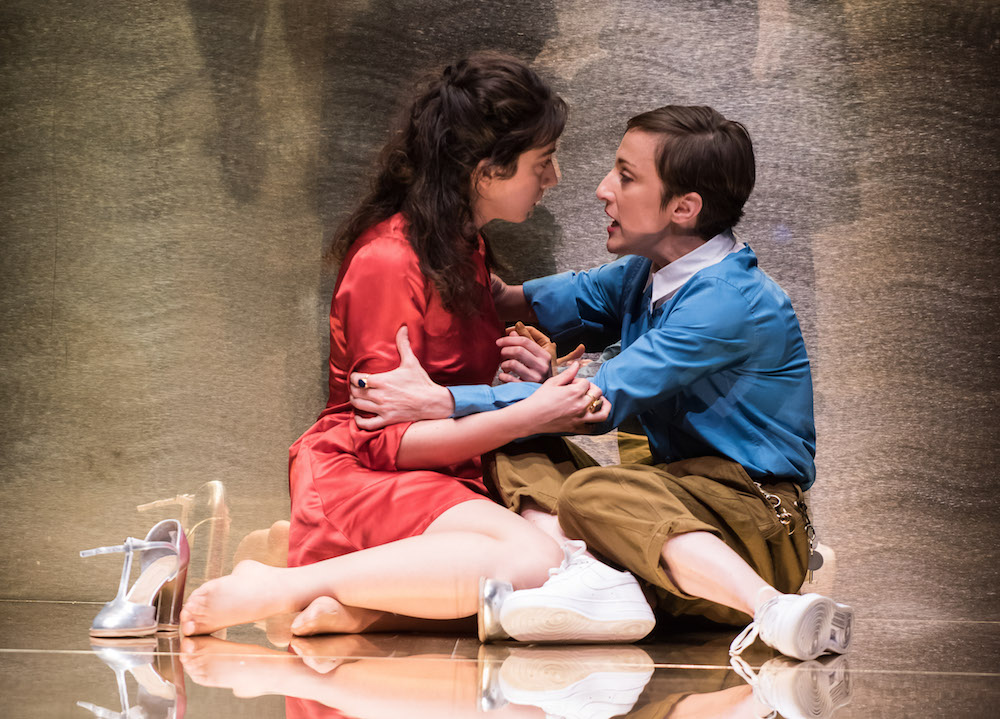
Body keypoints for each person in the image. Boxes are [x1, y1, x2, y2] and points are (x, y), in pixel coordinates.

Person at [349, 105, 854, 662]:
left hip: (751, 519)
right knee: (516, 441)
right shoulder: (647, 272)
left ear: (685, 208)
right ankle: (590, 579)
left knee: (595, 492)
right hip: (669, 501)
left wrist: (441, 401)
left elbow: (595, 402)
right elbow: (518, 300)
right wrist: (448, 239)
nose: (601, 189)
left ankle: (767, 606)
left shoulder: (726, 303)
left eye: (626, 177)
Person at [178, 54, 645, 638]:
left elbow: (447, 388)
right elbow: (384, 444)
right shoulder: (390, 262)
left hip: (445, 474)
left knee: (582, 558)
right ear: (485, 171)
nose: (553, 180)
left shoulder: (460, 247)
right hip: (362, 475)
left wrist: (521, 382)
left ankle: (358, 603)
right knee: (538, 563)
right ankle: (280, 583)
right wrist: (529, 412)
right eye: (541, 163)